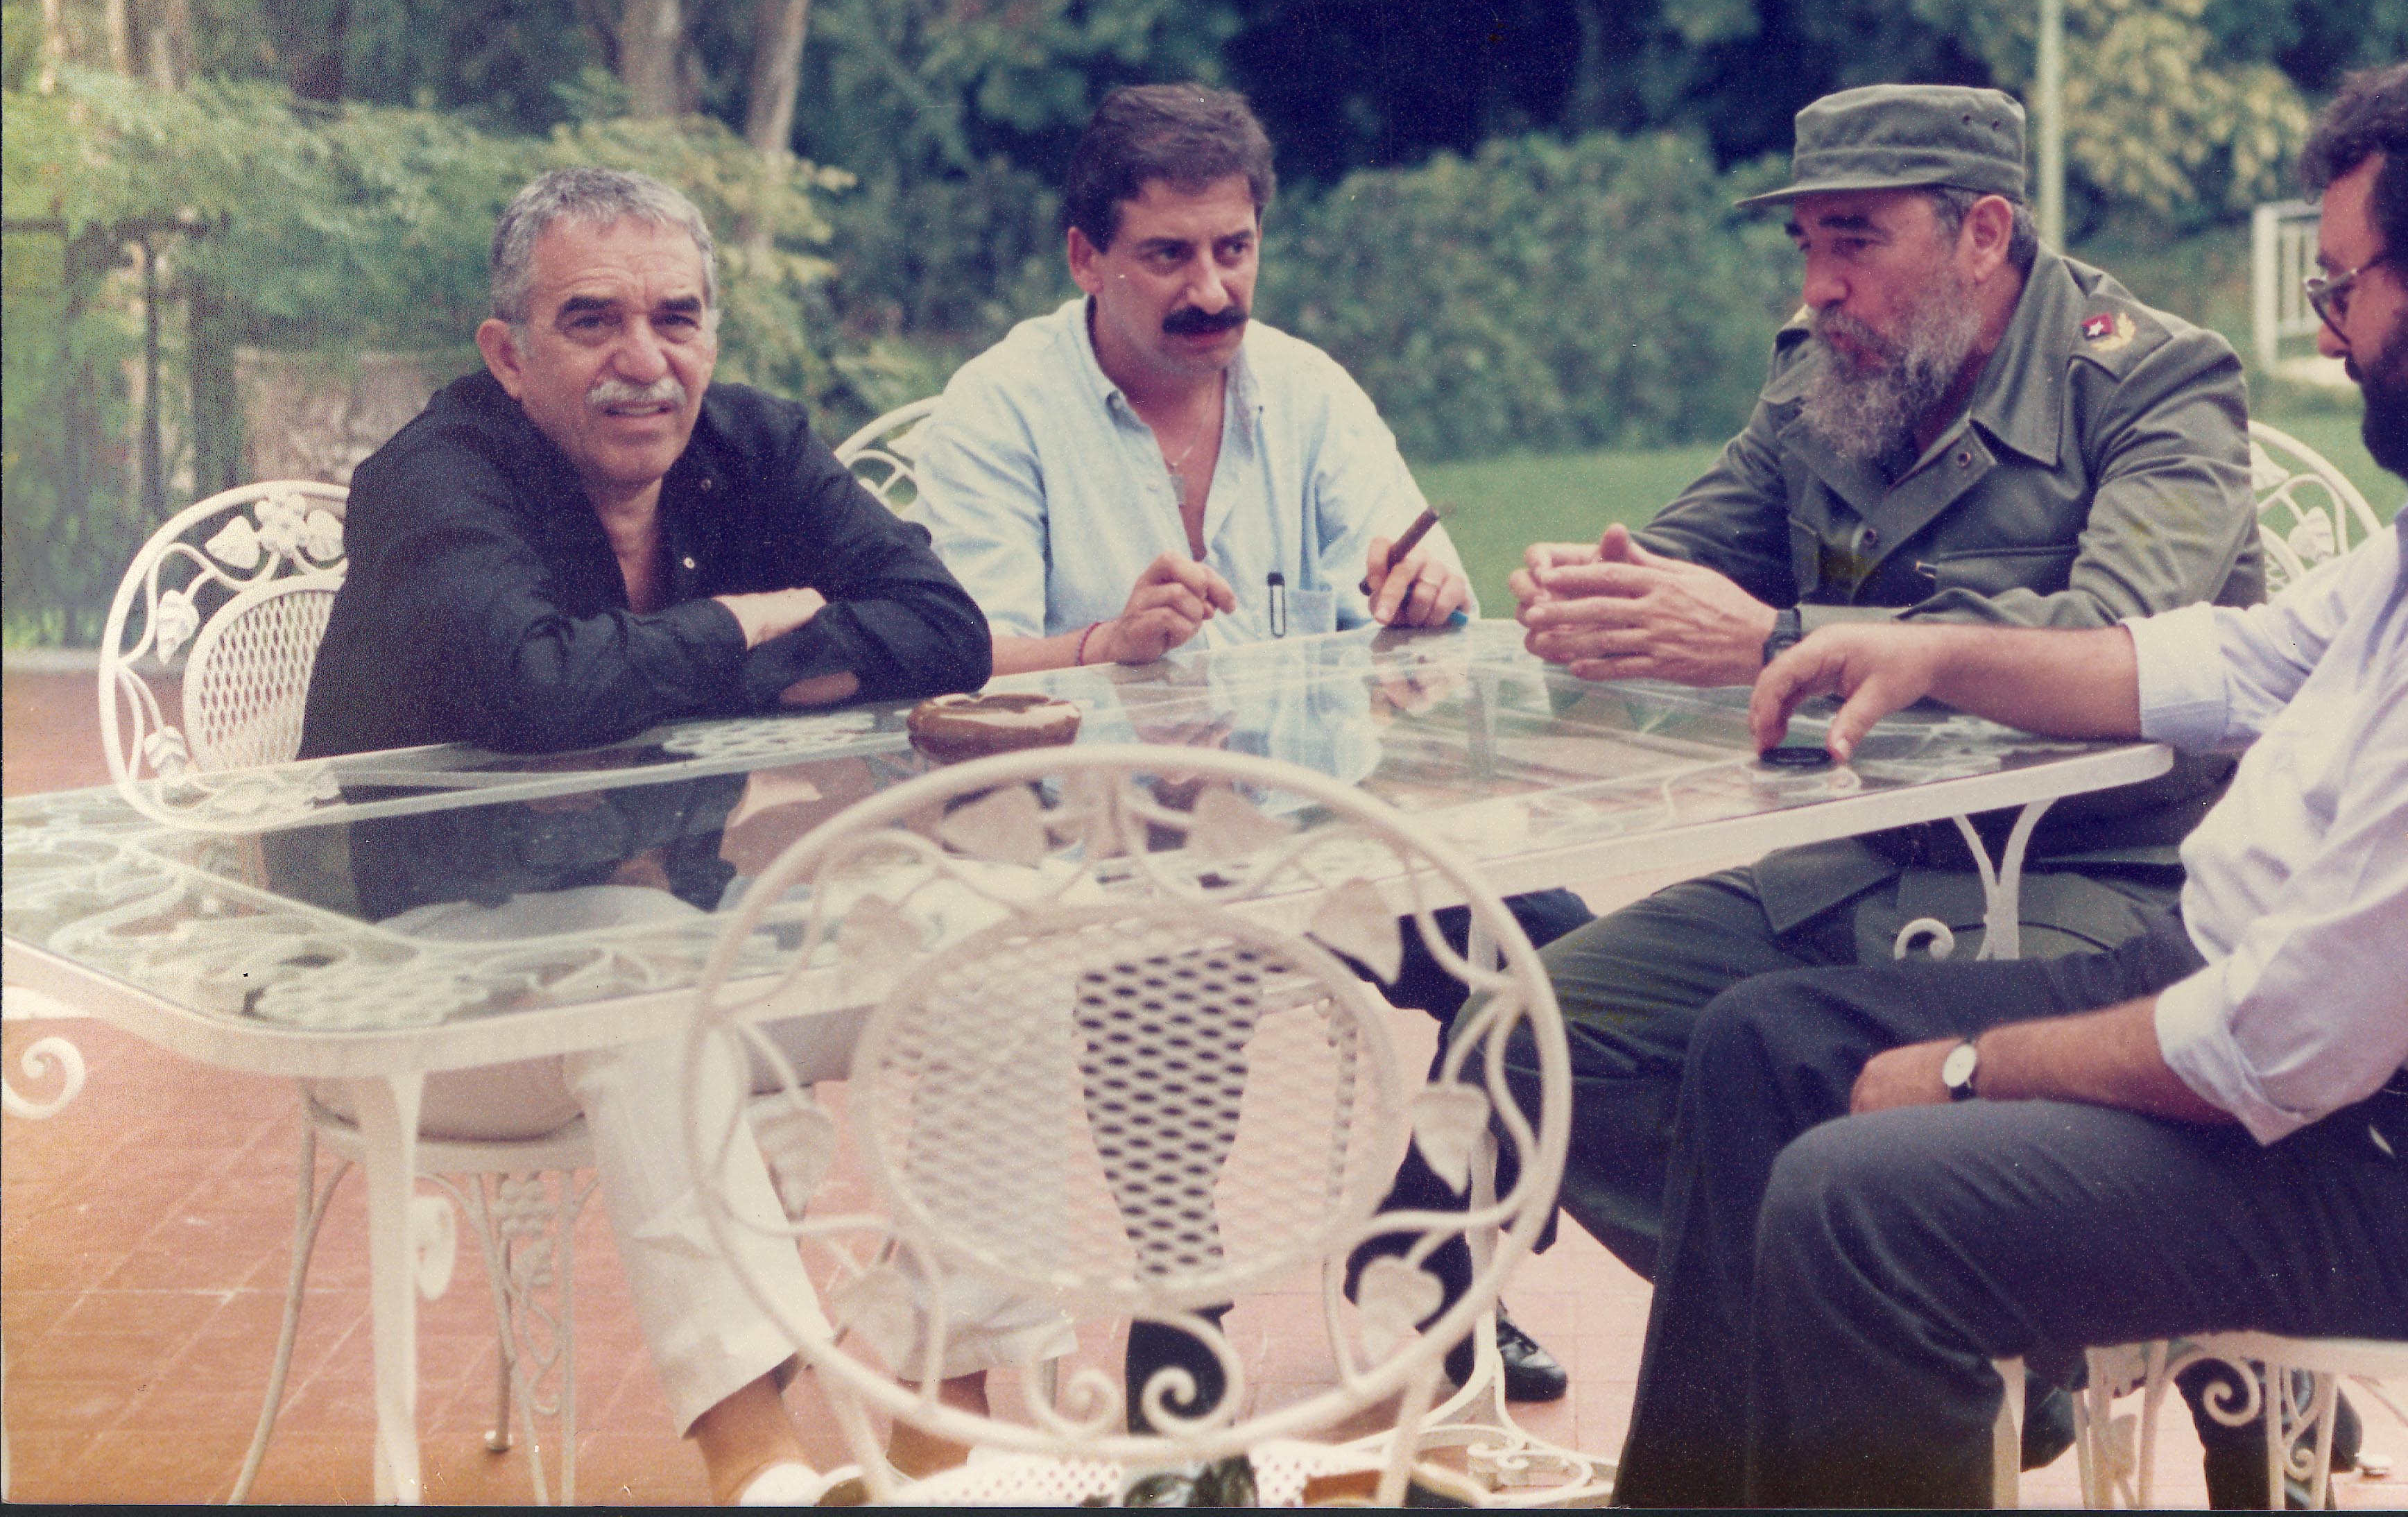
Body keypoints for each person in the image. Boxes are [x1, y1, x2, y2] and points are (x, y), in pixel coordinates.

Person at [1610, 42, 2408, 1507]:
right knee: (1760, 1046)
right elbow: (2243, 662)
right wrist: (1932, 650)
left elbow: (2281, 1049)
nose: (2327, 338)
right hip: (2288, 1030)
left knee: (1859, 1201)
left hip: (2407, 1169)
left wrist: (1956, 1073)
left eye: (2342, 289)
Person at [302, 166, 1030, 1505]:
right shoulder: (430, 477)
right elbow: (535, 687)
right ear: (508, 355)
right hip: (425, 982)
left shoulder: (753, 444)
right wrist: (742, 628)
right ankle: (760, 1467)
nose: (645, 363)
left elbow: (946, 629)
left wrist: (687, 659)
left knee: (983, 952)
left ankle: (946, 1422)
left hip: (686, 923)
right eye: (592, 322)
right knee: (652, 990)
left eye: (676, 319)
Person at [1499, 84, 2259, 1284]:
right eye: (1807, 243)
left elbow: (2119, 637)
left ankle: (1917, 1339)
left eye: (1856, 238)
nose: (1818, 284)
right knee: (1527, 1036)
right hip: (1858, 854)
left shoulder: (2153, 384)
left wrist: (1777, 640)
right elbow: (1684, 557)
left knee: (1819, 1076)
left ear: (1985, 233)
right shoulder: (1829, 370)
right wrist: (1591, 590)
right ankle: (1871, 1331)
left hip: (2095, 876)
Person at [914, 81, 1591, 1408]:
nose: (1212, 288)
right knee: (1168, 961)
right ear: (1085, 258)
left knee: (1562, 959)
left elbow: (1409, 577)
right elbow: (948, 656)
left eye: (1234, 249)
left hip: (1318, 827)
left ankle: (1435, 1244)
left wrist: (1427, 593)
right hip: (1094, 847)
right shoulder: (995, 409)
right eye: (1168, 255)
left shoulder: (1308, 391)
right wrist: (1106, 645)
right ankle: (1187, 1304)